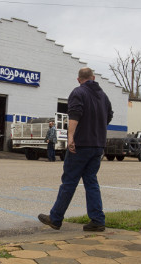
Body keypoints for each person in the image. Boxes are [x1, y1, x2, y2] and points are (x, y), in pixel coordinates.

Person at [38, 67, 113, 232]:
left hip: (81, 145)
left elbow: (74, 115)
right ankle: (97, 220)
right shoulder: (104, 96)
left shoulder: (78, 92)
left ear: (78, 79)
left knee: (69, 181)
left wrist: (70, 137)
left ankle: (56, 219)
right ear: (93, 77)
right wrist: (96, 129)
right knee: (91, 181)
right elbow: (109, 116)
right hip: (98, 145)